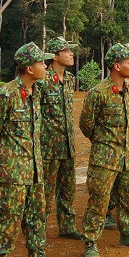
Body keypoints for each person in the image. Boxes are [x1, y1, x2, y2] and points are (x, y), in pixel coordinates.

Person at [0, 42, 62, 257]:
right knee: (7, 218)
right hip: (11, 170)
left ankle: (37, 255)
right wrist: (5, 160)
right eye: (41, 63)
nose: (46, 67)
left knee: (36, 214)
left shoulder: (36, 92)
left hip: (34, 166)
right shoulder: (6, 94)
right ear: (29, 69)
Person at [78, 43, 129, 257]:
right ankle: (91, 241)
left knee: (128, 198)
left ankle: (128, 234)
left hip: (128, 157)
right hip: (105, 159)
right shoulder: (98, 93)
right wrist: (104, 142)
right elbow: (86, 124)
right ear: (117, 66)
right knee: (99, 202)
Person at [36, 36, 82, 239]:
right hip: (48, 145)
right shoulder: (43, 81)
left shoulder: (70, 79)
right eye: (67, 51)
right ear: (55, 56)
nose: (71, 54)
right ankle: (39, 230)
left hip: (67, 144)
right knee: (45, 190)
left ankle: (67, 225)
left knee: (67, 188)